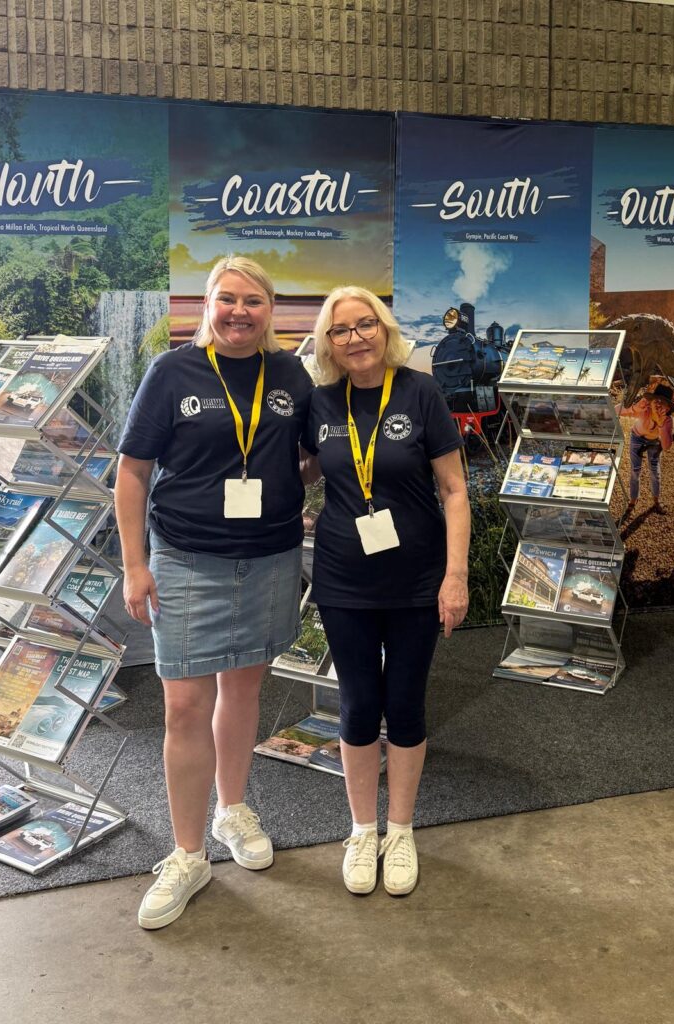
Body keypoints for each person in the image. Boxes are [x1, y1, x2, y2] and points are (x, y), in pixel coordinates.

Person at [115, 256, 313, 929]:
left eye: (252, 301)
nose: (239, 312)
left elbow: (311, 454)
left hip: (270, 557)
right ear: (207, 305)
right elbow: (133, 473)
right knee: (183, 706)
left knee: (245, 688)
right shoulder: (172, 373)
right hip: (186, 560)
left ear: (271, 311)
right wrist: (135, 565)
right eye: (227, 299)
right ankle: (188, 853)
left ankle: (233, 810)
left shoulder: (289, 375)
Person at [301, 286, 470, 897]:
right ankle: (361, 829)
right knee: (355, 704)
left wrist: (456, 576)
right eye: (341, 330)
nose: (355, 338)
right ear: (329, 342)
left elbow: (454, 490)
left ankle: (400, 831)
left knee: (405, 702)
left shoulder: (422, 393)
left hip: (418, 578)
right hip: (344, 580)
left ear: (384, 328)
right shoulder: (320, 403)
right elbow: (301, 467)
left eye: (365, 324)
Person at [618, 383, 674, 516]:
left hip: (654, 442)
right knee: (635, 470)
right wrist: (633, 407)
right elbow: (618, 410)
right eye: (657, 400)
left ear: (668, 408)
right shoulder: (645, 409)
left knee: (655, 471)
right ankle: (633, 500)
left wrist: (660, 423)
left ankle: (656, 501)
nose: (659, 404)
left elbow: (667, 446)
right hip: (637, 437)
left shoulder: (667, 420)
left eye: (664, 402)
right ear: (651, 401)